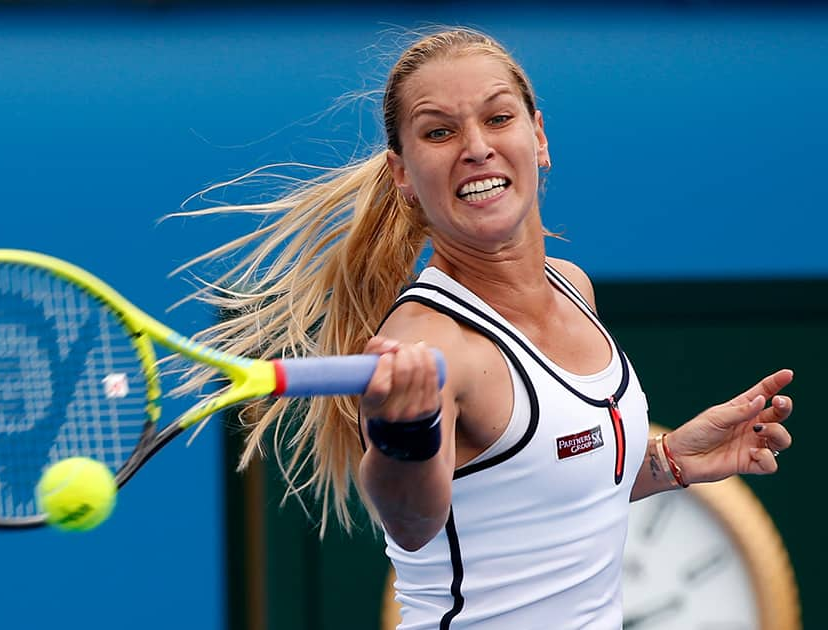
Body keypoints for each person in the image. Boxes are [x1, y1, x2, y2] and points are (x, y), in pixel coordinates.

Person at [168, 27, 794, 629]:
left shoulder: (572, 287)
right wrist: (402, 435)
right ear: (404, 175)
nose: (475, 146)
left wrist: (667, 461)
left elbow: (533, 499)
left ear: (538, 137)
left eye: (497, 118)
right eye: (439, 132)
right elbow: (412, 522)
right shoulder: (428, 341)